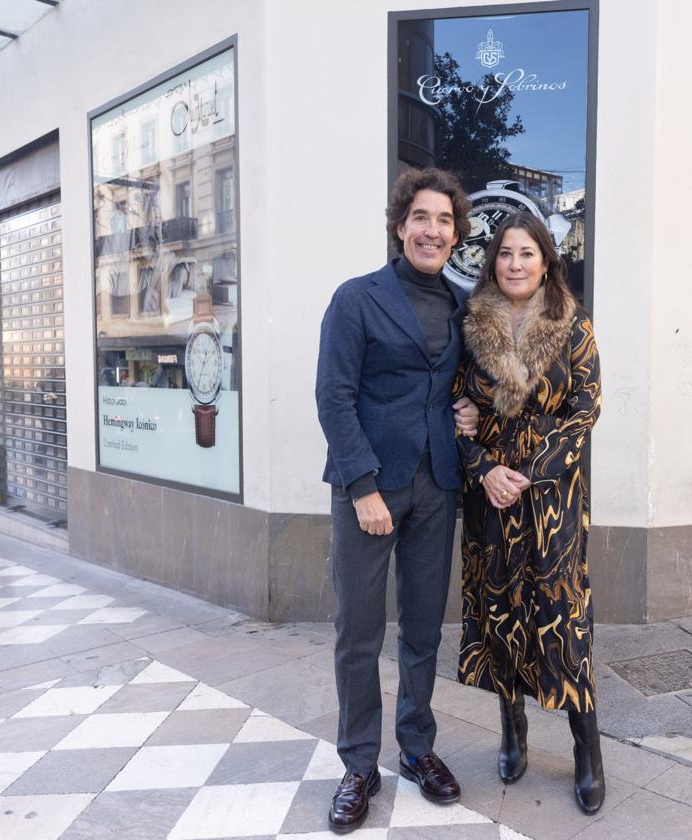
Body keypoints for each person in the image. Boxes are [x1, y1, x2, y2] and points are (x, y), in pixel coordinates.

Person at [315, 168, 478, 833]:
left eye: (444, 220)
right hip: (372, 491)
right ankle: (359, 764)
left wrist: (468, 410)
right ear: (399, 225)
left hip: (438, 486)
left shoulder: (466, 306)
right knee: (358, 631)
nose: (432, 230)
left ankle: (415, 748)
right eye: (421, 217)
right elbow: (334, 395)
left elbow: (463, 384)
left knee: (420, 628)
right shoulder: (357, 299)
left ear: (455, 233)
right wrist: (361, 486)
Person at [454, 212, 605, 814]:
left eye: (528, 253)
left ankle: (587, 750)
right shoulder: (471, 325)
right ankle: (512, 728)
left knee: (563, 618)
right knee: (499, 611)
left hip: (552, 496)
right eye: (506, 253)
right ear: (494, 262)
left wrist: (534, 470)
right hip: (490, 493)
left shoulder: (572, 323)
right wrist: (482, 467)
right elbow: (455, 404)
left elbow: (586, 405)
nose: (516, 264)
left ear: (547, 261)